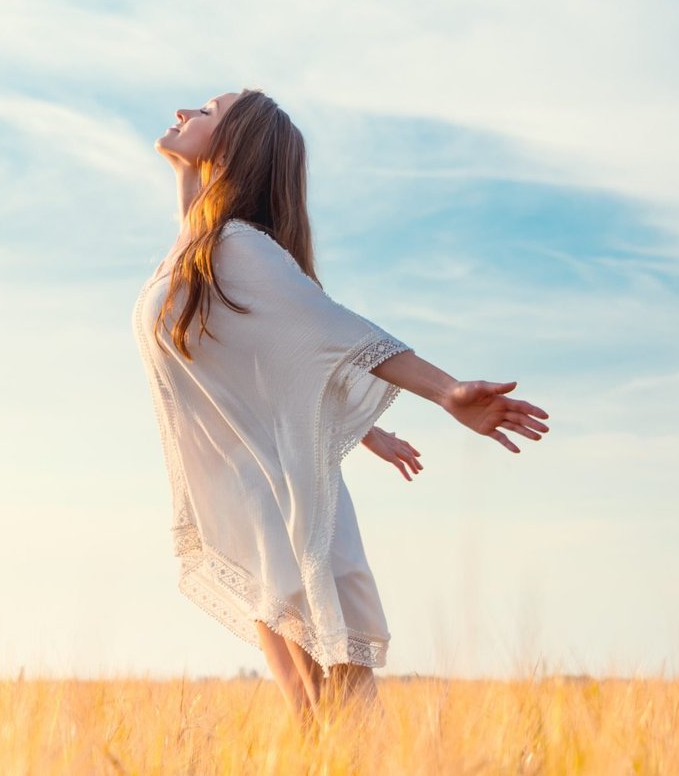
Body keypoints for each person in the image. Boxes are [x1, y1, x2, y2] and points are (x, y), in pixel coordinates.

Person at [131, 87, 551, 731]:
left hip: (288, 507)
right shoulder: (203, 250)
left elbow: (337, 332)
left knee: (336, 711)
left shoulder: (239, 249)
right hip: (259, 497)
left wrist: (445, 392)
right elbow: (254, 354)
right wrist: (187, 171)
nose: (185, 111)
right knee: (316, 717)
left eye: (207, 113)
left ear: (235, 146)